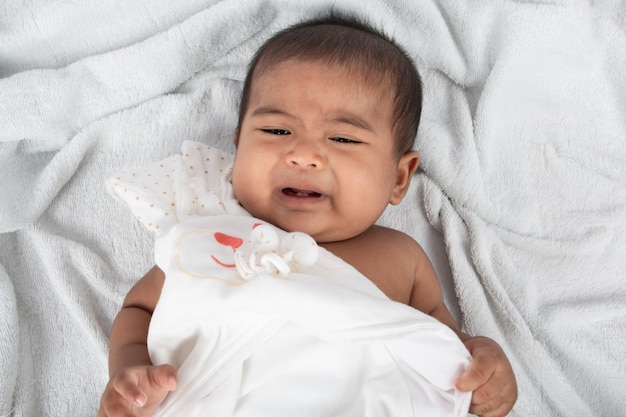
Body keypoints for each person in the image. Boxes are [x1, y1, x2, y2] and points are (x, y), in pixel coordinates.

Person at [99, 14, 517, 417]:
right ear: (238, 144)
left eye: (343, 137)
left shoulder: (401, 257)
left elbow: (437, 340)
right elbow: (139, 309)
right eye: (277, 131)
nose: (303, 155)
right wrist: (129, 373)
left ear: (399, 178)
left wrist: (480, 365)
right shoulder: (208, 230)